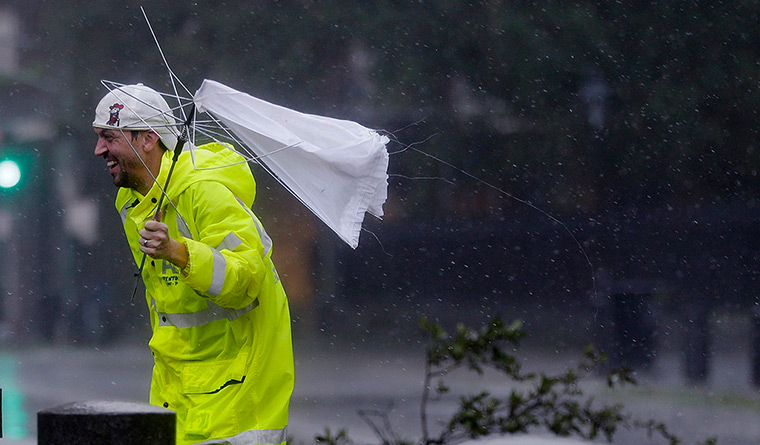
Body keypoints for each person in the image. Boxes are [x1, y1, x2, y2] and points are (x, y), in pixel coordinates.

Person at [92, 83, 294, 445]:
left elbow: (246, 280)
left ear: (148, 139)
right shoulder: (131, 202)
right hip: (178, 395)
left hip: (235, 402)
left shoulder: (205, 192)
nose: (98, 150)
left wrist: (179, 252)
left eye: (109, 137)